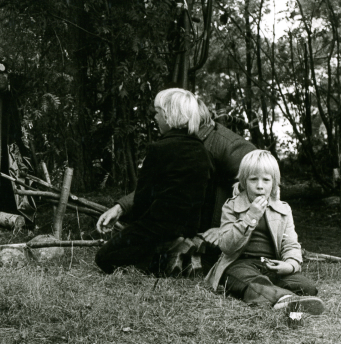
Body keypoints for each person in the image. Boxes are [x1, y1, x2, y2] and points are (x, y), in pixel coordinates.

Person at [96, 99, 255, 268]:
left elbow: (259, 189)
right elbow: (159, 186)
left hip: (222, 225)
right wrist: (121, 207)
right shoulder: (184, 142)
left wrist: (225, 227)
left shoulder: (230, 146)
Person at [94, 88, 211, 275]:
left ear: (169, 115)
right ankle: (181, 248)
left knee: (104, 258)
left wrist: (132, 225)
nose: (155, 117)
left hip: (157, 226)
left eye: (157, 112)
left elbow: (142, 198)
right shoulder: (202, 151)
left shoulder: (159, 149)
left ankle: (163, 258)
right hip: (188, 227)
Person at [205, 150, 323, 315]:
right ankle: (285, 299)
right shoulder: (231, 206)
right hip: (239, 264)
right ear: (244, 182)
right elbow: (227, 246)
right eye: (253, 179)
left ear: (273, 183)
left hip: (270, 265)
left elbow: (291, 244)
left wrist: (289, 265)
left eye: (266, 180)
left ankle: (276, 295)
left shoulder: (283, 209)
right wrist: (250, 216)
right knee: (249, 280)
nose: (260, 185)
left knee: (306, 287)